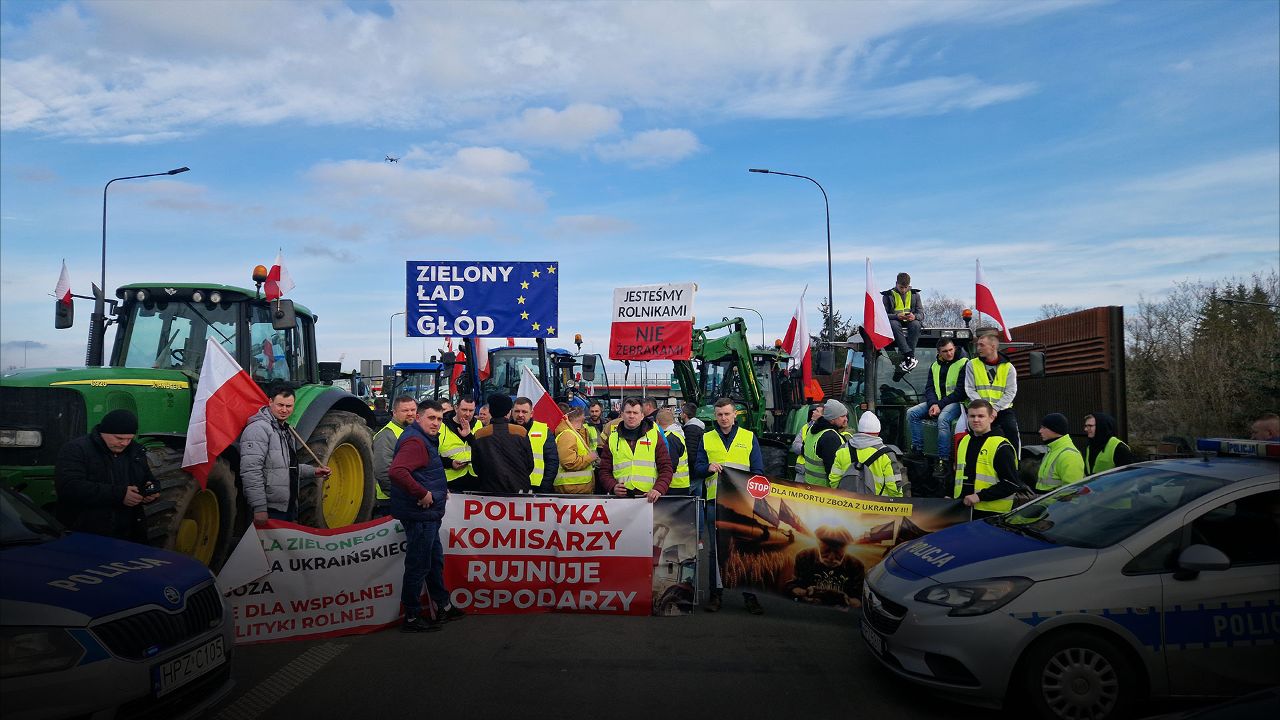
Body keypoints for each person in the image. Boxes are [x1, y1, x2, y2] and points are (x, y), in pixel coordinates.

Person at [387, 400, 464, 631]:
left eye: (440, 419)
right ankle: (411, 616)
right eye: (431, 418)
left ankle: (443, 606)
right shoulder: (415, 441)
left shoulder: (423, 439)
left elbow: (424, 472)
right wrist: (423, 493)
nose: (437, 424)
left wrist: (439, 490)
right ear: (418, 417)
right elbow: (397, 471)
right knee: (419, 565)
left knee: (433, 562)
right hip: (420, 515)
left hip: (426, 515)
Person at [53, 409, 159, 541]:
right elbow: (69, 487)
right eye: (119, 438)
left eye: (129, 439)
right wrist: (120, 495)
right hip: (87, 535)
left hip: (129, 535)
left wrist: (151, 491)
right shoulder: (76, 450)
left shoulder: (135, 451)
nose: (124, 443)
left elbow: (148, 478)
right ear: (104, 432)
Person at [703, 397, 765, 615]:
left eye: (727, 414)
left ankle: (749, 597)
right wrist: (707, 467)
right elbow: (697, 467)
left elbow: (758, 471)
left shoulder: (749, 437)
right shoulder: (707, 438)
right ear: (715, 416)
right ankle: (715, 595)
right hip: (714, 501)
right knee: (716, 552)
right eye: (719, 415)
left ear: (735, 415)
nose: (723, 418)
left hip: (741, 502)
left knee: (744, 549)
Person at [241, 385, 331, 524]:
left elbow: (283, 468)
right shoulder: (258, 430)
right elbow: (251, 471)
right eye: (280, 405)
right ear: (270, 402)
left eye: (288, 406)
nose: (284, 410)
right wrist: (259, 508)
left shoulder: (286, 431)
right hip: (270, 509)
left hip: (287, 506)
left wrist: (313, 471)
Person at [907, 338, 968, 477]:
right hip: (938, 402)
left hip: (957, 402)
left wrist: (939, 405)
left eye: (951, 350)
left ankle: (943, 460)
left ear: (955, 348)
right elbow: (929, 388)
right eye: (945, 351)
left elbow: (961, 391)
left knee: (943, 419)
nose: (949, 353)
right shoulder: (934, 365)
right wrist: (934, 403)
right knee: (912, 413)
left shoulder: (964, 363)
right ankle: (918, 450)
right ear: (939, 352)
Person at [598, 398, 673, 502]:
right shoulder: (612, 439)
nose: (631, 416)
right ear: (622, 414)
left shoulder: (654, 436)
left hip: (649, 499)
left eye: (635, 413)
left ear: (642, 415)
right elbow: (604, 471)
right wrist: (612, 486)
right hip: (621, 500)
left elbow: (666, 467)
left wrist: (658, 489)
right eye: (628, 412)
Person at [954, 400, 1020, 518]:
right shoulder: (964, 441)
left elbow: (1011, 483)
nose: (976, 420)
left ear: (991, 418)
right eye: (972, 416)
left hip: (991, 514)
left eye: (981, 416)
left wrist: (979, 496)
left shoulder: (1001, 446)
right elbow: (957, 474)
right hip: (963, 509)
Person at [965, 331, 1020, 458]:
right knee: (975, 435)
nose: (978, 348)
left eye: (982, 345)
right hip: (980, 410)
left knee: (1012, 432)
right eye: (978, 345)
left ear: (993, 347)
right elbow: (969, 388)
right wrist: (986, 409)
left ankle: (1015, 464)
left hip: (1002, 410)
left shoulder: (1009, 367)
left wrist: (995, 408)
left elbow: (1010, 392)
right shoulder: (971, 365)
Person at [785, 526, 864, 609]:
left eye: (838, 552)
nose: (831, 557)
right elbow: (792, 586)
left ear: (846, 549)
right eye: (826, 550)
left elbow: (861, 600)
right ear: (818, 545)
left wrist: (846, 600)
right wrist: (805, 593)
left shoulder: (856, 565)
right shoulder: (804, 557)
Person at [471, 394, 535, 493]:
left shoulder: (480, 434)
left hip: (489, 490)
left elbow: (476, 467)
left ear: (491, 411)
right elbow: (529, 464)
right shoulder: (520, 432)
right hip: (519, 489)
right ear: (509, 412)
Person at [829, 412, 903, 497]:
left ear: (859, 431)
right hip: (877, 506)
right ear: (878, 432)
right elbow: (894, 487)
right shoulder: (886, 455)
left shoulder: (843, 450)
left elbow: (834, 480)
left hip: (849, 505)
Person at [372, 395, 418, 517]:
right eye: (405, 410)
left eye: (413, 410)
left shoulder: (411, 431)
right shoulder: (386, 435)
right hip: (390, 501)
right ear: (394, 413)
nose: (410, 414)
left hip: (409, 496)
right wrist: (398, 495)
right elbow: (382, 470)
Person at [511, 397, 559, 492]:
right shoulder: (505, 430)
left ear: (531, 413)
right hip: (510, 487)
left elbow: (552, 462)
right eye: (517, 411)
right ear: (512, 412)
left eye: (524, 412)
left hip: (537, 488)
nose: (520, 415)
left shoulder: (543, 430)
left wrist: (544, 488)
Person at [800, 400, 848, 486]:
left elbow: (803, 452)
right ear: (832, 419)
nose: (846, 419)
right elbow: (833, 471)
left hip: (809, 488)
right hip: (825, 492)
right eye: (842, 416)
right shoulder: (830, 437)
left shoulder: (811, 429)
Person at [881, 272, 923, 372]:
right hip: (895, 321)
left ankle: (909, 357)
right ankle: (908, 354)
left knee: (916, 324)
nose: (903, 290)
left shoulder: (915, 295)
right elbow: (883, 316)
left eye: (906, 287)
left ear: (909, 285)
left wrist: (914, 316)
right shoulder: (887, 295)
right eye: (901, 287)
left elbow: (921, 314)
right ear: (896, 284)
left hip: (911, 322)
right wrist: (896, 316)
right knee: (893, 325)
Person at [439, 396, 481, 493]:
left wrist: (469, 436)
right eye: (464, 410)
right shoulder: (442, 425)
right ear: (456, 408)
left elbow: (482, 451)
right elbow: (432, 455)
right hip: (450, 482)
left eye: (471, 410)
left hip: (474, 480)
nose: (468, 414)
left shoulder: (478, 424)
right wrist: (450, 463)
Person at [1035, 413, 1084, 493]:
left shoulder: (1069, 455)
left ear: (1055, 429)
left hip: (1057, 505)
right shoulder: (1052, 449)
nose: (1040, 431)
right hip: (1047, 503)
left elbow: (1072, 493)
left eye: (1044, 428)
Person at [553, 406, 596, 494]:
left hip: (576, 488)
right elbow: (569, 463)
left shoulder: (573, 433)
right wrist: (590, 458)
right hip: (572, 489)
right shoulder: (568, 435)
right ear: (582, 418)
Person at [656, 408, 691, 495]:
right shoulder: (677, 434)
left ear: (657, 421)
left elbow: (670, 465)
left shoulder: (669, 438)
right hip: (679, 484)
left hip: (673, 486)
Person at [679, 402, 710, 498]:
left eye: (681, 412)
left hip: (693, 471)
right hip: (698, 469)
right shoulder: (697, 427)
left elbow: (691, 453)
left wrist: (690, 470)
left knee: (685, 496)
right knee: (697, 499)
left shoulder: (690, 430)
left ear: (684, 414)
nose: (680, 414)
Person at [790, 403, 824, 483]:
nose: (813, 412)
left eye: (817, 411)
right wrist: (806, 449)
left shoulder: (825, 431)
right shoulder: (805, 427)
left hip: (816, 474)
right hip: (801, 470)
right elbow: (795, 445)